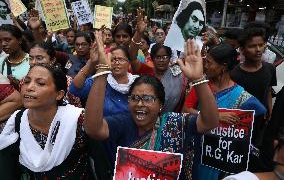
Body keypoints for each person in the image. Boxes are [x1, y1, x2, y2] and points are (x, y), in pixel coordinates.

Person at [84, 29, 219, 180]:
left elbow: (210, 122)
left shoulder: (174, 123)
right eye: (134, 98)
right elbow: (92, 128)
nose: (140, 104)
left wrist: (199, 79)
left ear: (161, 104)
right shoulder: (123, 122)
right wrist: (102, 70)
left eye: (148, 99)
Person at [0, 62, 108, 179]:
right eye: (26, 81)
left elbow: (100, 165)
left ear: (59, 94)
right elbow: (7, 168)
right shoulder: (17, 120)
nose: (29, 88)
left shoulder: (78, 120)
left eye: (40, 83)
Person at [182, 44, 266, 180]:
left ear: (224, 66)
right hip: (198, 149)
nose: (206, 66)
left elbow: (260, 112)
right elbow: (186, 110)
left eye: (209, 63)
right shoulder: (202, 85)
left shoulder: (241, 95)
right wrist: (217, 116)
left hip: (223, 157)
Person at [230, 27, 277, 172]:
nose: (258, 49)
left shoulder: (270, 69)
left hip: (260, 125)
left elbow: (268, 90)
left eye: (261, 45)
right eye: (252, 46)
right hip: (238, 126)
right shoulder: (234, 73)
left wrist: (270, 111)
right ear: (242, 50)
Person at [129, 9, 188, 113]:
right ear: (152, 58)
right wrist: (138, 33)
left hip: (169, 121)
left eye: (165, 57)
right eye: (158, 57)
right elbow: (132, 55)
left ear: (170, 58)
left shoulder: (178, 75)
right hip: (145, 118)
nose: (161, 60)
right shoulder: (145, 71)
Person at [69, 45, 138, 115]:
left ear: (129, 63)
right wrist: (91, 62)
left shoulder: (137, 83)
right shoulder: (100, 80)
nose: (117, 63)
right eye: (113, 60)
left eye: (121, 59)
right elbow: (74, 90)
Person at [28, 42, 82, 107]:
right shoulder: (24, 81)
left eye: (39, 58)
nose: (33, 62)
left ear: (52, 60)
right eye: (30, 58)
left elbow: (77, 107)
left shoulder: (67, 82)